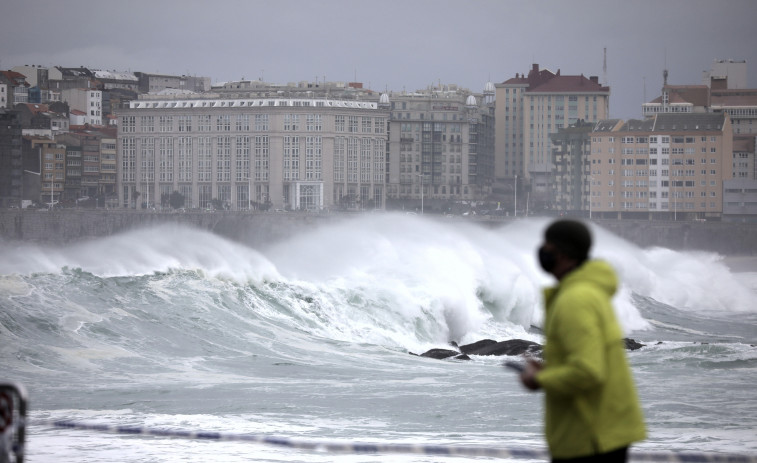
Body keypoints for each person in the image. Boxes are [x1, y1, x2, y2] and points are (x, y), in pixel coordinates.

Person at [519, 219, 646, 462]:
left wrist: (540, 378)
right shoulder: (590, 291)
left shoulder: (575, 299)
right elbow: (590, 360)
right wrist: (553, 370)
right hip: (602, 430)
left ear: (563, 252)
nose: (542, 250)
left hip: (588, 436)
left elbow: (588, 371)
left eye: (548, 245)